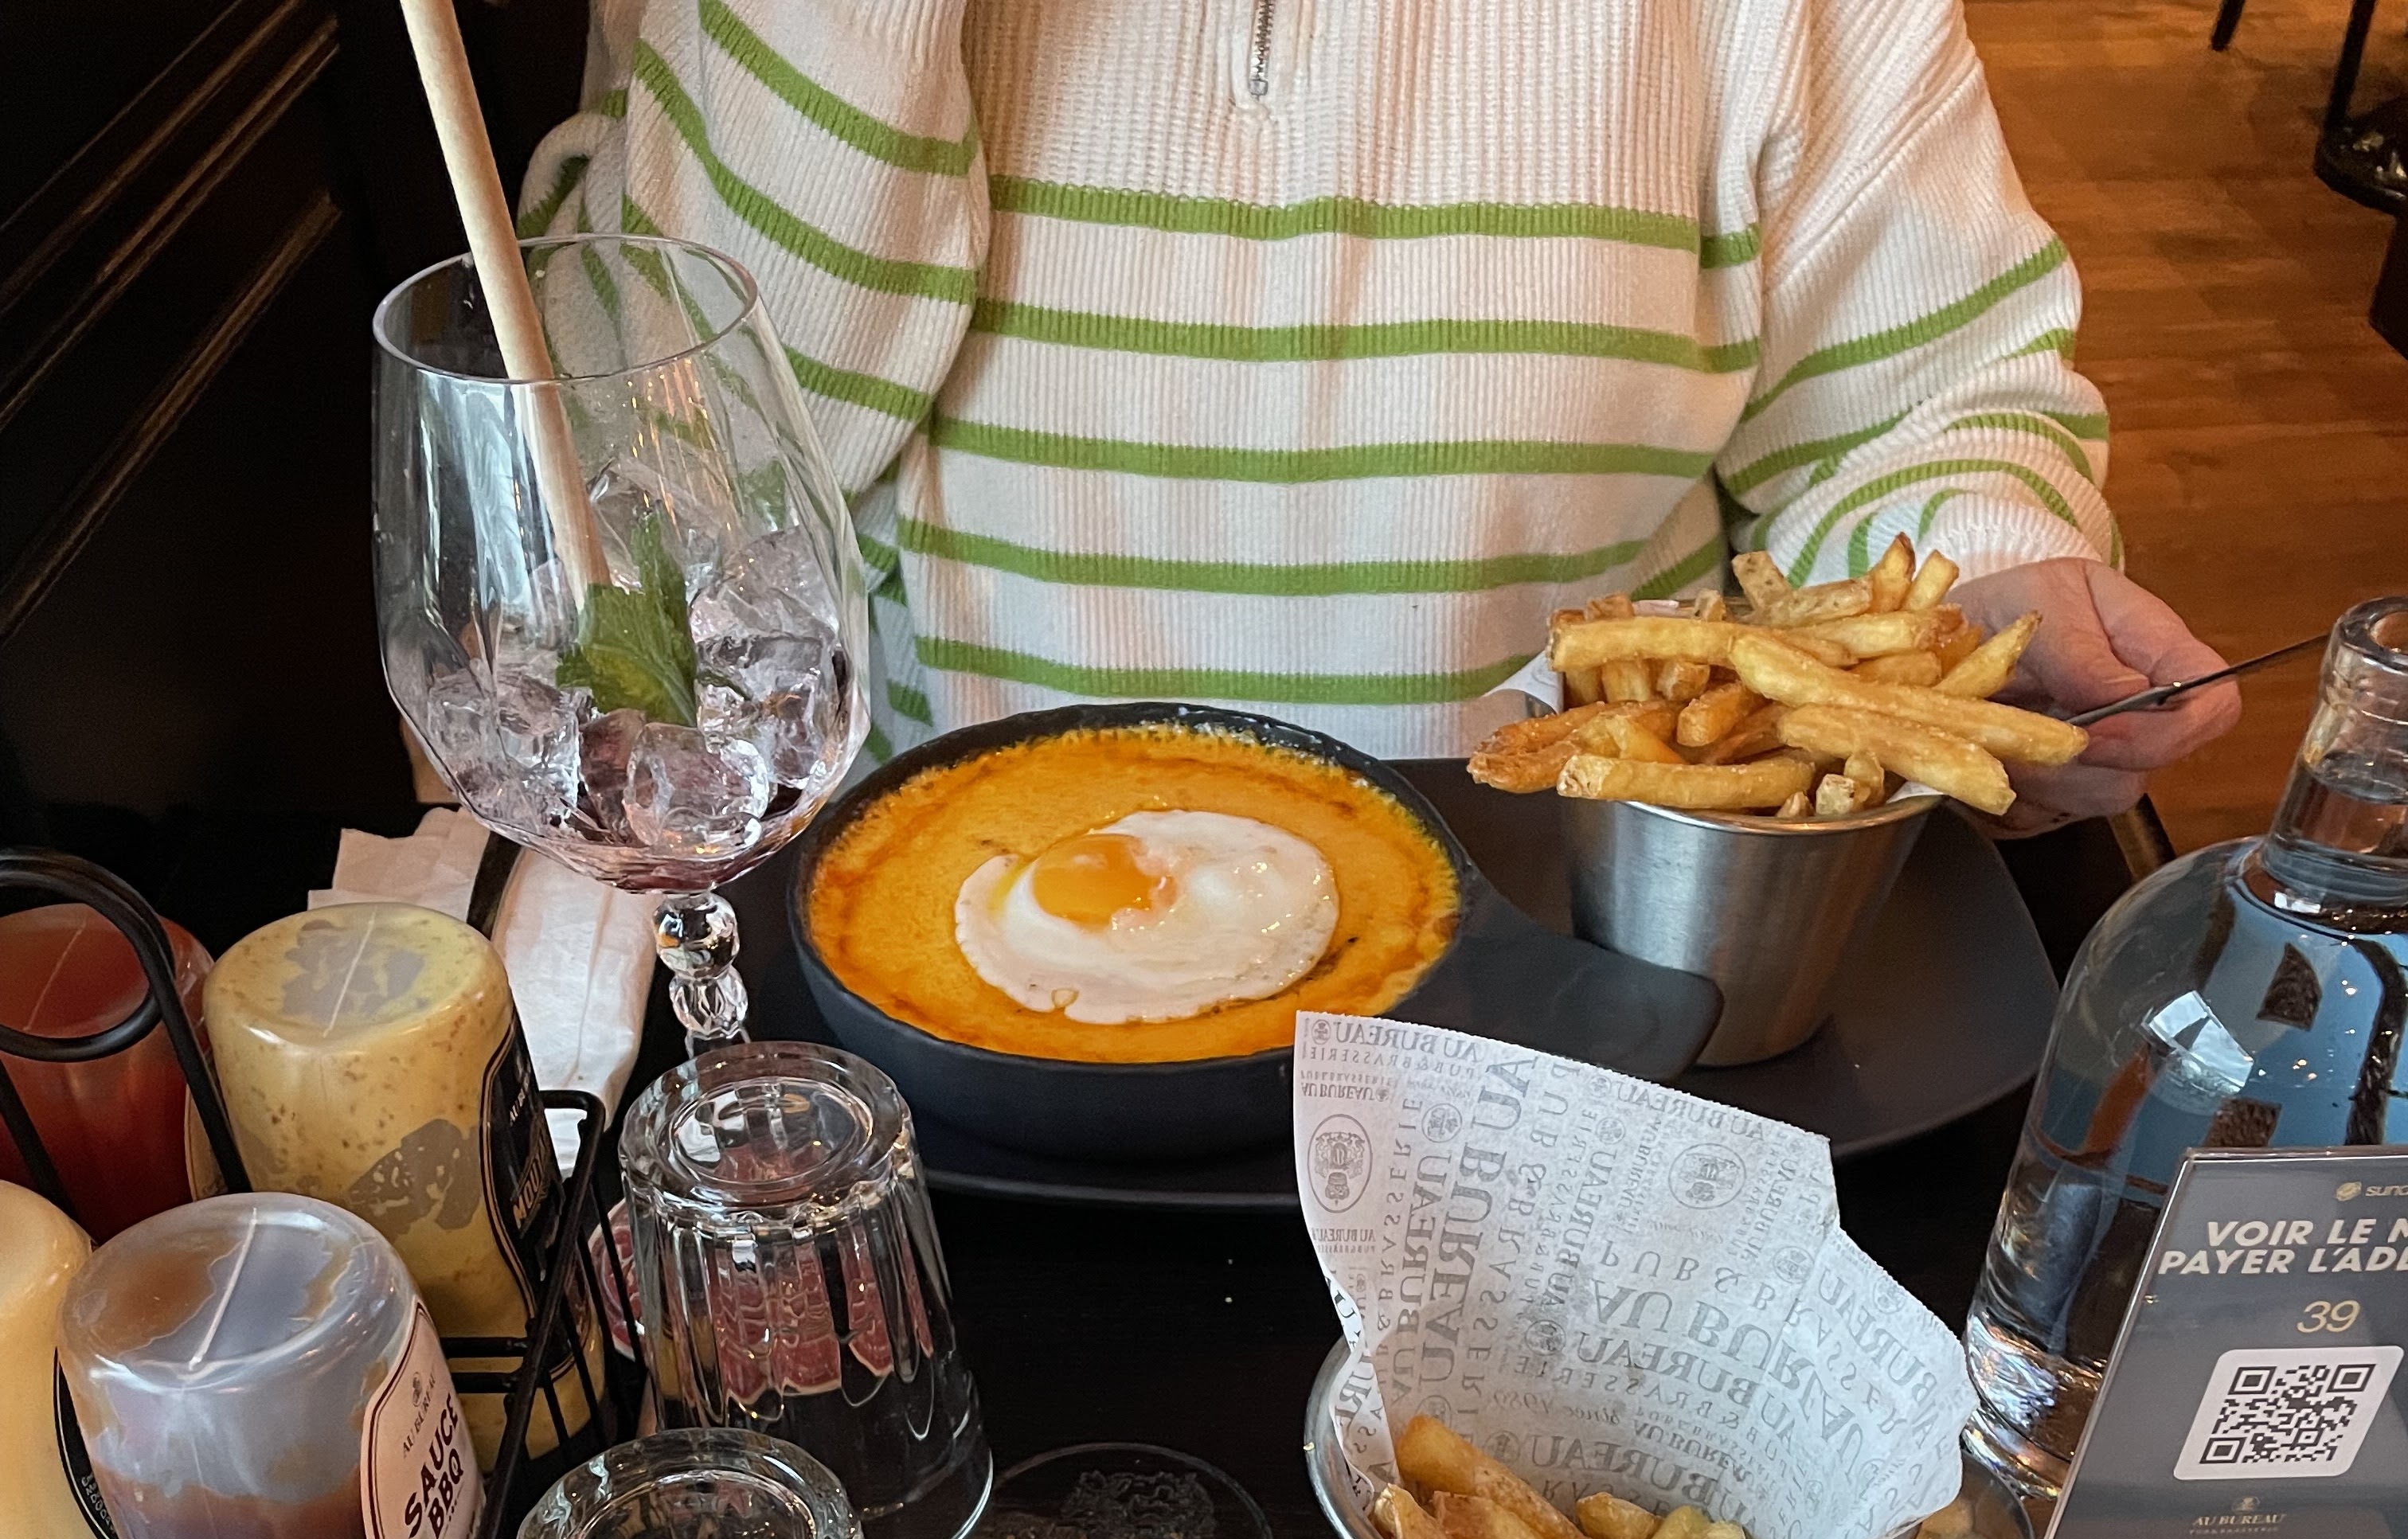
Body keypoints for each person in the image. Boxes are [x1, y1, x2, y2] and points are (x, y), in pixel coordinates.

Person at [524, 0, 2236, 825]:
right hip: (961, 958)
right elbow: (677, 508)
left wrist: (1981, 586)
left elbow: (1924, 399)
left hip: (1584, 983)